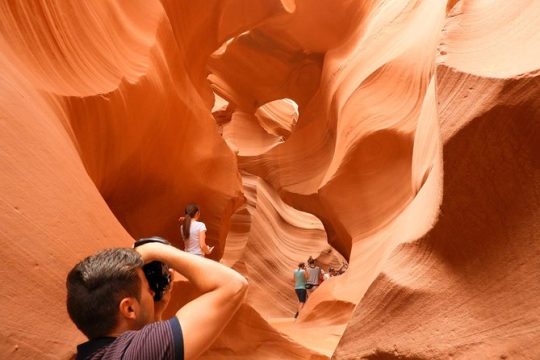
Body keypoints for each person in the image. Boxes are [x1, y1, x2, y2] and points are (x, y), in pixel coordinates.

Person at [66, 240, 248, 360]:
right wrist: (155, 249)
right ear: (129, 308)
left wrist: (157, 314)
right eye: (147, 288)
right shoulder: (139, 353)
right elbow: (234, 286)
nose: (152, 293)